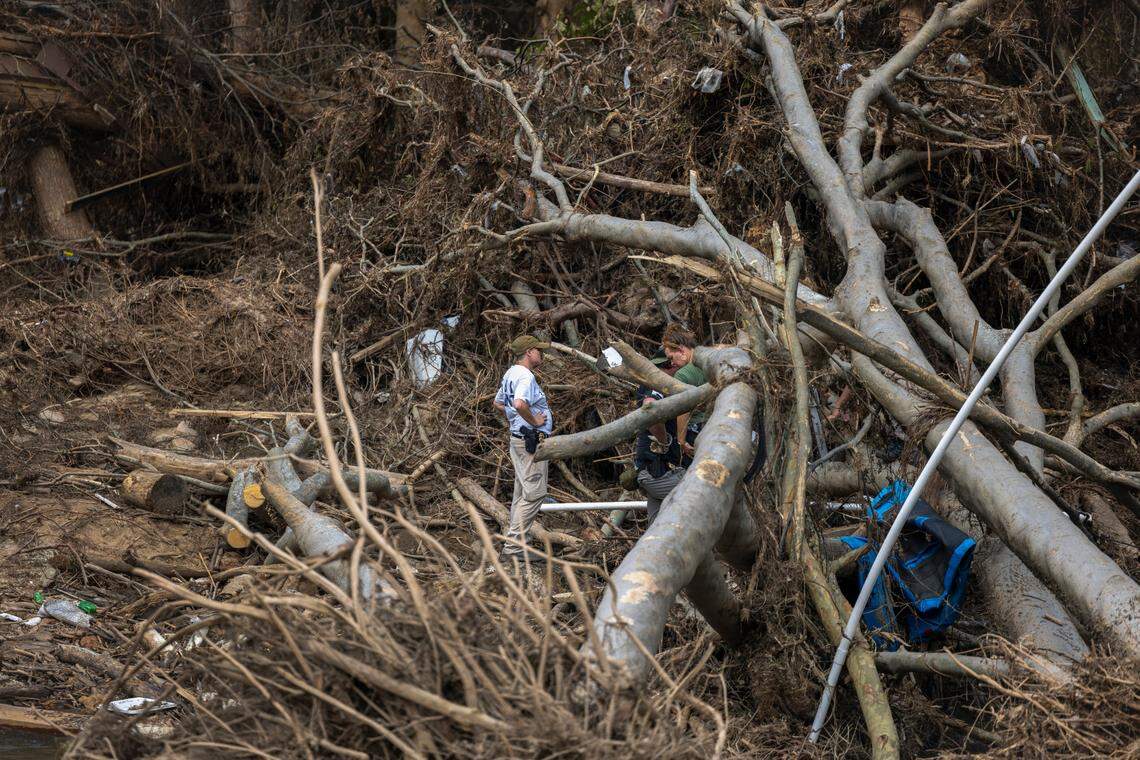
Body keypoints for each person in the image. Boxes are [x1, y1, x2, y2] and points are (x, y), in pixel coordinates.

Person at [492, 334, 553, 562]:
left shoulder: (511, 373)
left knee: (521, 493)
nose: (541, 354)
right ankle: (514, 550)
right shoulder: (525, 376)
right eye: (539, 350)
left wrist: (516, 419)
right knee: (535, 494)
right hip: (529, 443)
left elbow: (499, 403)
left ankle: (518, 544)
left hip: (517, 439)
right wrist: (534, 421)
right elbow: (519, 404)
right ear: (529, 352)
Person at [661, 324, 707, 461]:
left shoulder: (682, 375)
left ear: (681, 351)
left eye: (671, 357)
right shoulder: (708, 358)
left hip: (697, 429)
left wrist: (681, 441)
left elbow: (683, 409)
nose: (672, 363)